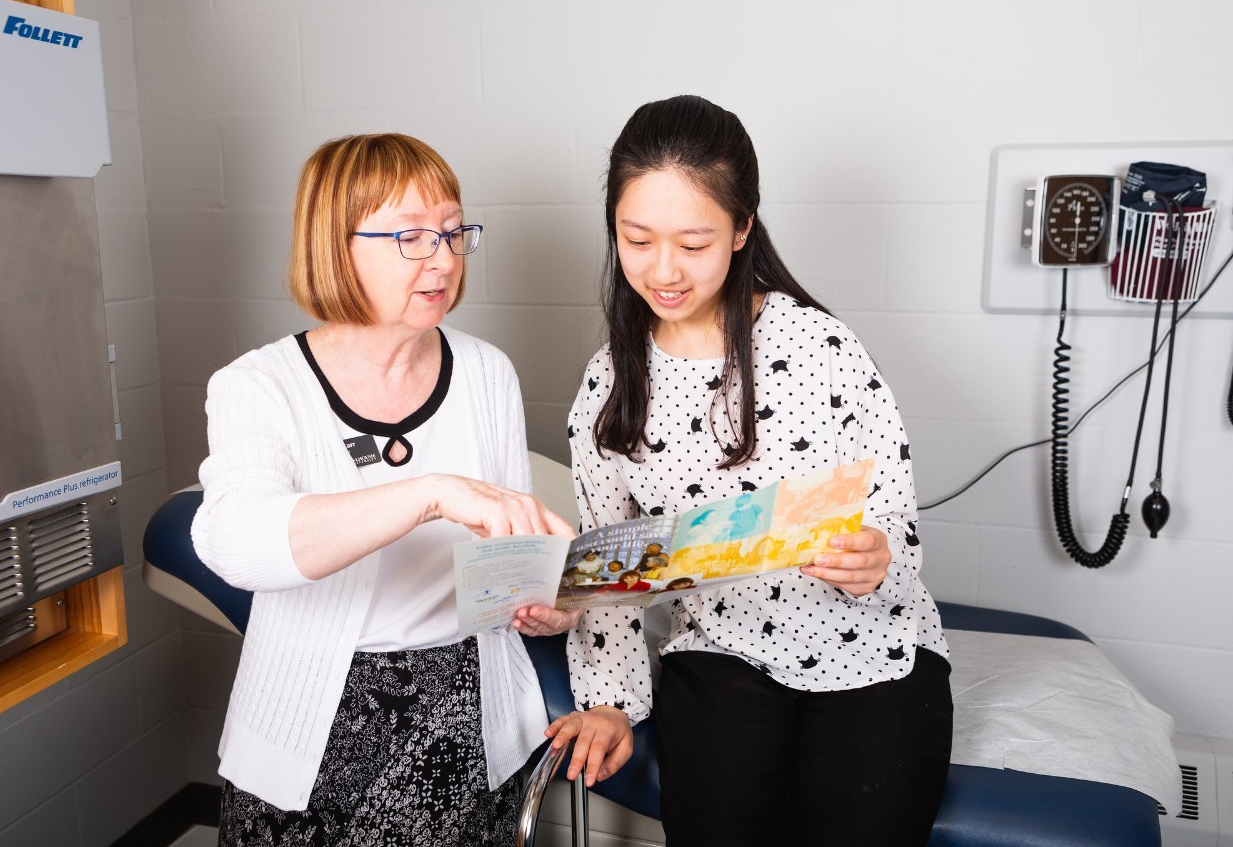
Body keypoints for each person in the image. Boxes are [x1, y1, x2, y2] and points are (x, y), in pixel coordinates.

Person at [561, 96, 953, 845]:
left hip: (867, 644)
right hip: (721, 647)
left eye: (694, 243)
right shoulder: (610, 382)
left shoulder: (821, 348)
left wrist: (877, 560)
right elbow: (610, 556)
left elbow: (893, 524)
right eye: (636, 239)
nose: (664, 270)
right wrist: (610, 698)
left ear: (742, 230)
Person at [190, 133, 591, 846]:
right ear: (335, 246)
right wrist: (428, 492)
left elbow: (509, 563)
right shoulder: (258, 385)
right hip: (311, 731)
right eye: (411, 237)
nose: (442, 258)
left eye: (451, 231)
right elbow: (238, 542)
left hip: (470, 717)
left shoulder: (486, 371)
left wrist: (546, 603)